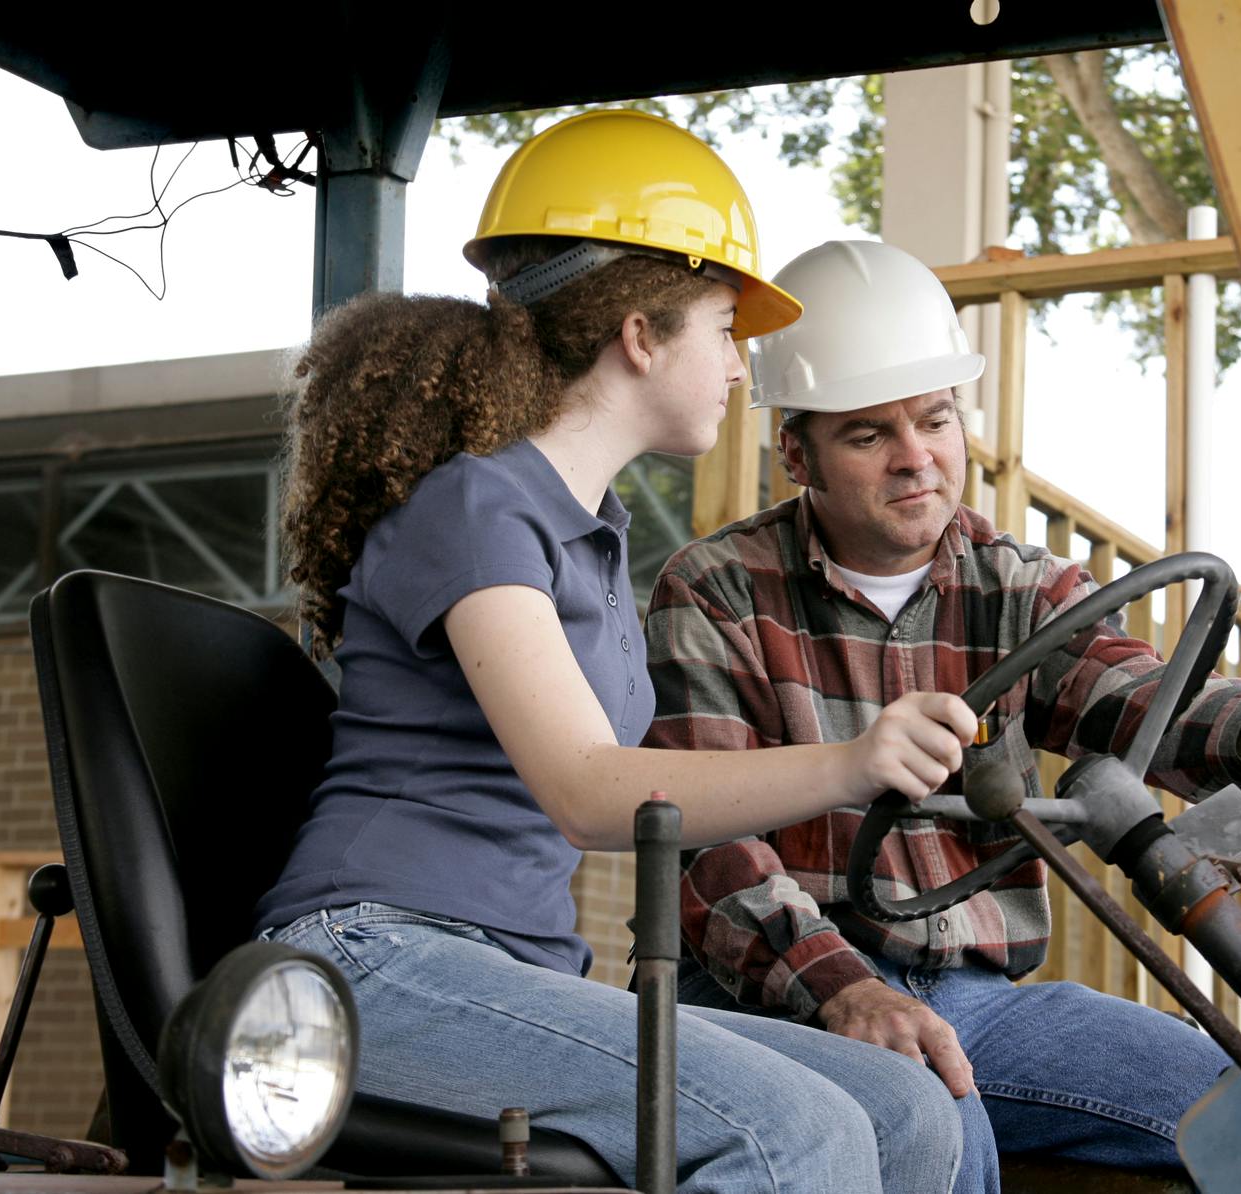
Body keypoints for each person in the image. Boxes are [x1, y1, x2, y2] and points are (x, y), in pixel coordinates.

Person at [253, 116, 992, 1193]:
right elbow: (596, 795)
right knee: (798, 1136)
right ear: (642, 336)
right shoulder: (477, 507)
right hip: (373, 962)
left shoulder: (587, 535)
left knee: (906, 1114)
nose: (743, 365)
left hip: (507, 966)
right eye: (723, 329)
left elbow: (653, 780)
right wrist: (851, 760)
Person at [645, 238, 1241, 1178]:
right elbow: (708, 846)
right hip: (777, 995)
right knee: (937, 1119)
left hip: (982, 996)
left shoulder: (1015, 585)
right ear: (794, 451)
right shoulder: (715, 592)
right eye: (868, 435)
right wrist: (846, 990)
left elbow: (1128, 691)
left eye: (934, 421)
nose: (916, 460)